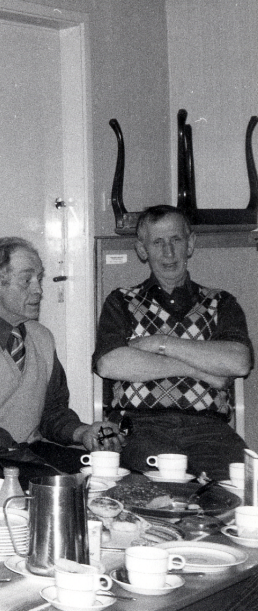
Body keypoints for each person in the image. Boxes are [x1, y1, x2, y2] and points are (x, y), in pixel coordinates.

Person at [0, 237, 124, 478]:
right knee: (76, 485)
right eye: (27, 280)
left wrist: (83, 433)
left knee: (114, 477)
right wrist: (48, 472)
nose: (39, 290)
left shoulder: (41, 337)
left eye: (39, 279)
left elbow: (53, 413)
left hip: (25, 454)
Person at [93, 205, 253, 481]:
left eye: (176, 240)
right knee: (158, 489)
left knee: (241, 488)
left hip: (210, 429)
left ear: (190, 244)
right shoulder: (122, 301)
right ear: (142, 250)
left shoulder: (221, 302)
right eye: (157, 242)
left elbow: (238, 362)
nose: (168, 252)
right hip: (140, 427)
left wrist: (159, 342)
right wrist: (199, 370)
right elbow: (110, 364)